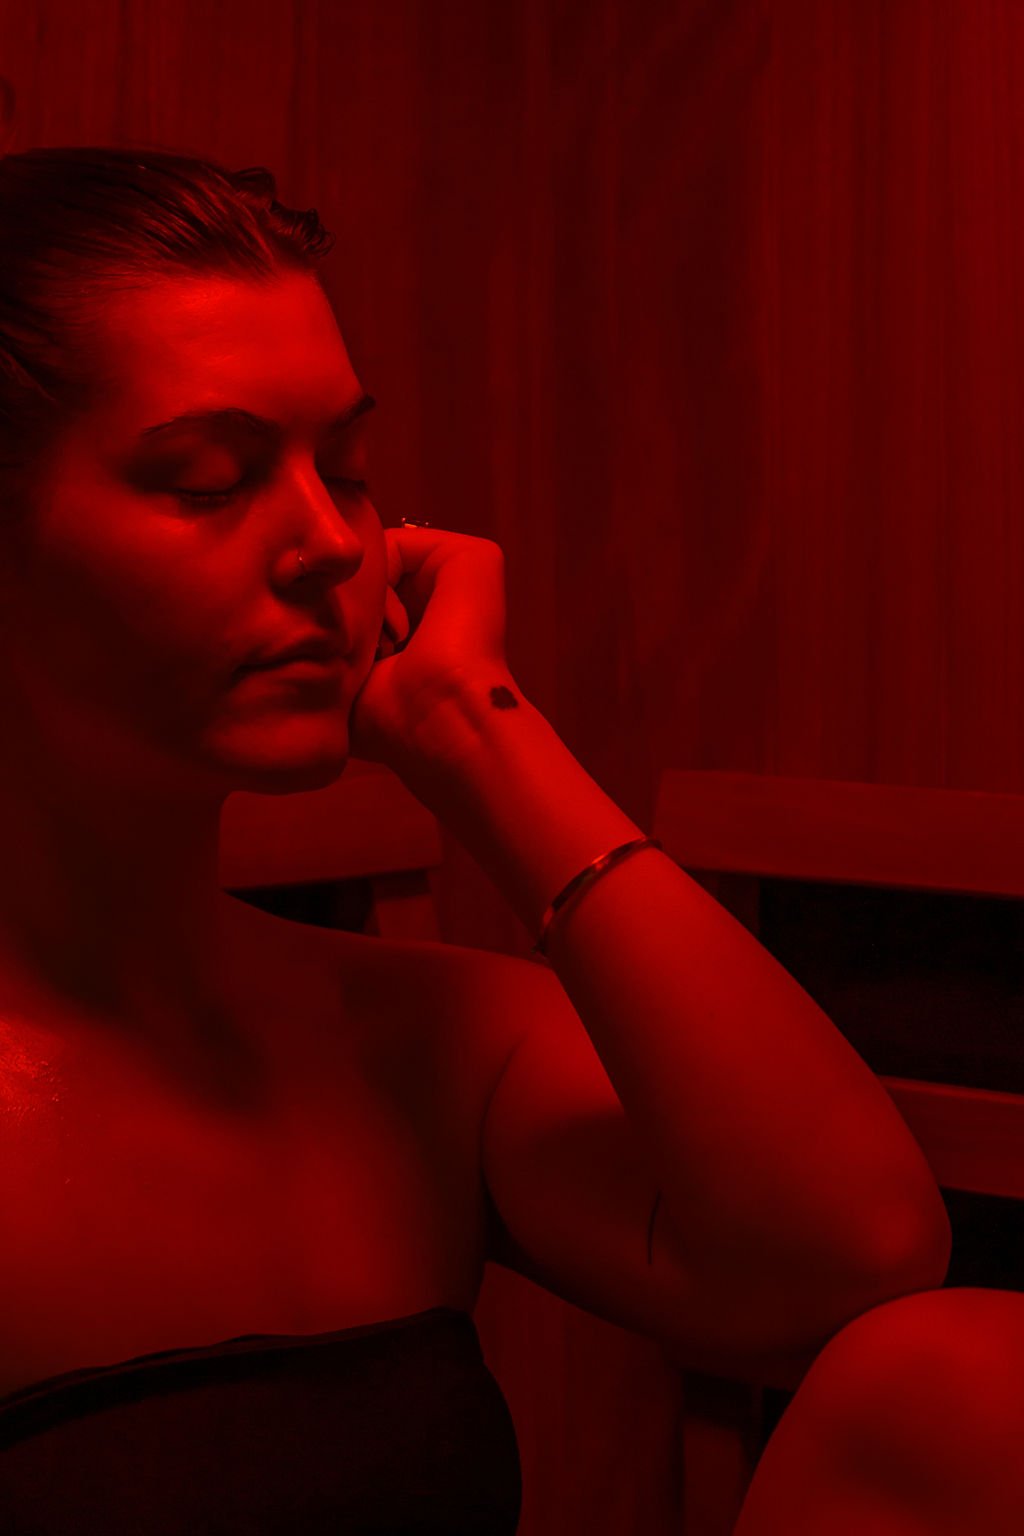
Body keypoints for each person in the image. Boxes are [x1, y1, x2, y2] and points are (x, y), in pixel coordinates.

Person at [0, 141, 1016, 1534]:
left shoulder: (409, 1047)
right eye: (210, 479)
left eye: (347, 468)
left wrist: (476, 732)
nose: (330, 544)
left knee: (966, 1385)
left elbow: (854, 1256)